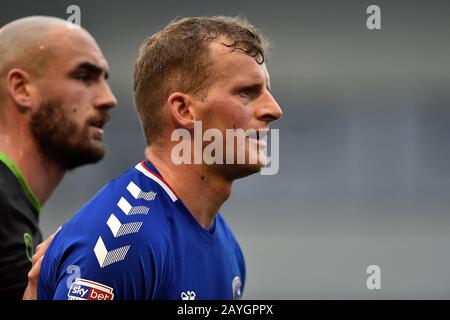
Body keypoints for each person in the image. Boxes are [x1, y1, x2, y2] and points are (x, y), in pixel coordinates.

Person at [37, 16, 282, 300]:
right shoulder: (123, 242)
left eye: (267, 91)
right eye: (246, 92)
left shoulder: (228, 247)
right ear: (184, 110)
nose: (274, 109)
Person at [0, 16, 117, 299]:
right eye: (83, 76)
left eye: (104, 79)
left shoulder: (14, 211)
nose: (108, 98)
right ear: (22, 89)